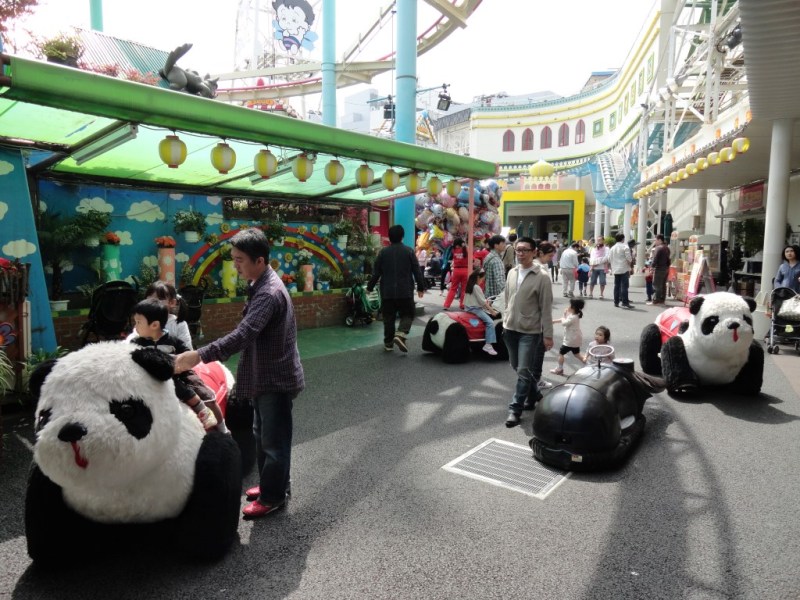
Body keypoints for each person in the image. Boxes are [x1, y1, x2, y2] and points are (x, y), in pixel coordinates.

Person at [175, 227, 304, 519]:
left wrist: (198, 356)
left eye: (239, 260)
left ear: (260, 260)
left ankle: (273, 496)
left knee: (274, 441)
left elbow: (243, 335)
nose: (235, 265)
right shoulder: (260, 282)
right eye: (234, 258)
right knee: (263, 434)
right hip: (265, 374)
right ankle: (274, 484)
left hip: (275, 379)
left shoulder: (268, 293)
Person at [131, 298, 220, 431]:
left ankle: (202, 409)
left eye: (138, 322)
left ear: (154, 325)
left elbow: (188, 355)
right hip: (146, 379)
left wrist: (174, 362)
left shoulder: (173, 342)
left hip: (172, 376)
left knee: (178, 386)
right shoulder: (136, 343)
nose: (135, 326)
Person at [502, 236, 554, 428]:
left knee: (524, 370)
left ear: (534, 252)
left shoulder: (542, 277)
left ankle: (515, 409)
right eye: (518, 250)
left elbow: (546, 308)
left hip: (529, 331)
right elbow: (507, 298)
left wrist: (547, 335)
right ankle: (534, 394)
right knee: (517, 367)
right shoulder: (512, 272)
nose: (520, 253)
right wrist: (505, 317)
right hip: (510, 329)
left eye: (525, 250)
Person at [367, 224, 425, 352]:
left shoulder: (383, 253)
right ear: (402, 237)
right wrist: (421, 287)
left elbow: (376, 273)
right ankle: (401, 333)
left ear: (389, 237)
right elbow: (417, 271)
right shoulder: (409, 251)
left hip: (387, 291)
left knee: (388, 318)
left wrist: (369, 287)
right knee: (408, 313)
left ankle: (388, 343)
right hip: (405, 291)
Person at [463, 269, 500, 356]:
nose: (482, 281)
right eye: (482, 279)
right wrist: (492, 311)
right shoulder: (476, 287)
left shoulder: (470, 285)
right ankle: (488, 345)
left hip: (468, 308)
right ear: (478, 277)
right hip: (475, 309)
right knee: (490, 323)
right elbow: (483, 302)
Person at [550, 298, 585, 376]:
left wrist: (564, 315)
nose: (568, 306)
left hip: (570, 340)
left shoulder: (573, 317)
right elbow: (564, 320)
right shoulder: (575, 315)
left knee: (561, 353)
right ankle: (589, 363)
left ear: (573, 307)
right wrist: (554, 321)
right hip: (575, 339)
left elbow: (564, 323)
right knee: (577, 354)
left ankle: (559, 369)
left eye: (570, 305)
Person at [608, 233, 633, 308]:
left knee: (617, 286)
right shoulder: (625, 247)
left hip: (615, 269)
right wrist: (630, 266)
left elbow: (609, 259)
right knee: (624, 286)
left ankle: (616, 302)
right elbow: (629, 258)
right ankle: (625, 302)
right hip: (624, 268)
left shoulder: (612, 248)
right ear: (623, 239)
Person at [443, 237, 469, 310]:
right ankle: (462, 305)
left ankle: (446, 305)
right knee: (464, 289)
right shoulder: (466, 250)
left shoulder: (454, 250)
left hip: (456, 270)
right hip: (465, 270)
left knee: (453, 288)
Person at [648, 234, 670, 305]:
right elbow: (668, 259)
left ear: (660, 240)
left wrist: (652, 267)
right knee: (663, 285)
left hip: (659, 268)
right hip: (665, 268)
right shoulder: (667, 248)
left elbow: (655, 259)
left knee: (656, 285)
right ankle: (662, 300)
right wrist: (667, 267)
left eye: (656, 240)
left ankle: (656, 300)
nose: (655, 242)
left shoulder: (658, 248)